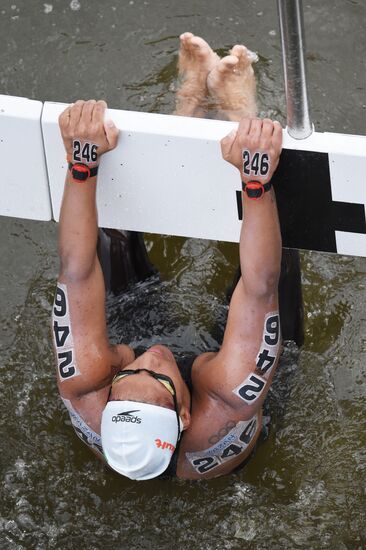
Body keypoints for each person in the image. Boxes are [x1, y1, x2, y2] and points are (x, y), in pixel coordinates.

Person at [52, 33, 286, 480]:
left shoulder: (86, 385)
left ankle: (189, 102)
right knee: (275, 252)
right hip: (218, 388)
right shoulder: (229, 404)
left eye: (131, 374)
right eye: (159, 378)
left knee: (110, 231)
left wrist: (81, 160)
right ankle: (244, 120)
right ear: (182, 416)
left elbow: (76, 271)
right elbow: (260, 287)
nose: (153, 357)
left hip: (144, 394)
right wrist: (254, 177)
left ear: (108, 406)